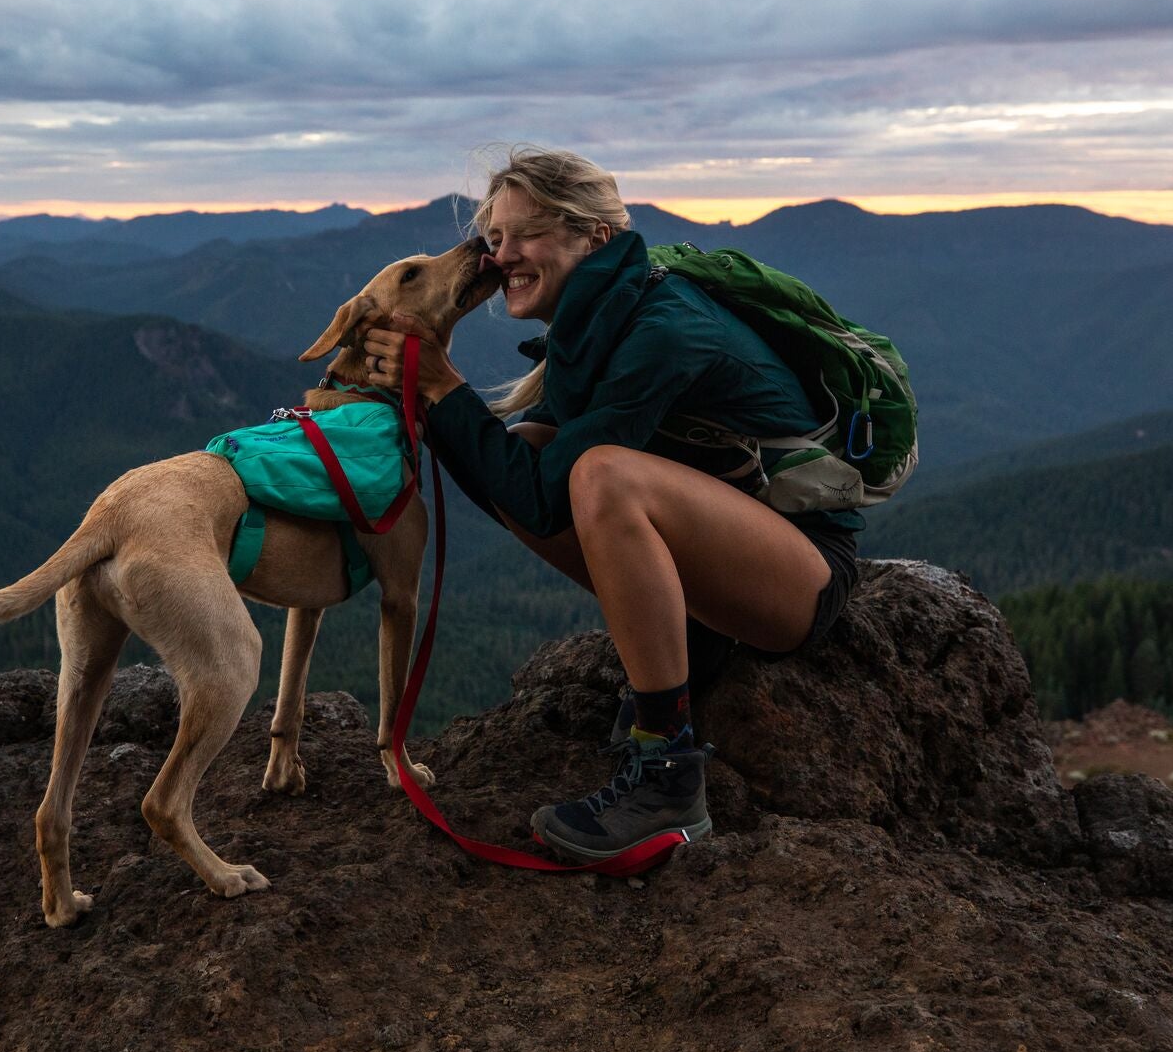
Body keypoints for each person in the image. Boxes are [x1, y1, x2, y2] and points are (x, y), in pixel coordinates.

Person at [361, 146, 862, 862]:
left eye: (524, 234)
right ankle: (693, 646)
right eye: (495, 239)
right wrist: (428, 401)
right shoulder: (599, 317)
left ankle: (666, 781)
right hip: (734, 560)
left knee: (598, 477)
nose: (500, 257)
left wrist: (443, 389)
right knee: (532, 443)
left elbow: (548, 502)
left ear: (593, 235)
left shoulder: (660, 329)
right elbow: (529, 486)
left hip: (801, 576)